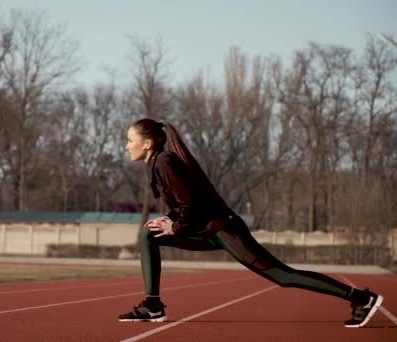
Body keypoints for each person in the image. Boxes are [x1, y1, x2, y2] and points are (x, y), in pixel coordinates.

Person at [118, 118, 384, 328]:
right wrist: (171, 219)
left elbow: (190, 204)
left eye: (130, 140)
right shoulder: (159, 163)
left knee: (283, 276)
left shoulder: (165, 162)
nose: (127, 145)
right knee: (149, 235)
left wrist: (175, 226)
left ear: (149, 142)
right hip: (206, 229)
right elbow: (184, 205)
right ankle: (153, 305)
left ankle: (361, 298)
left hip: (225, 229)